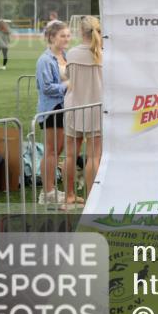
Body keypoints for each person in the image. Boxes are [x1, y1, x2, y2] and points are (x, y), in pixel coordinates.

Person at [63, 16, 103, 204]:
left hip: (74, 108)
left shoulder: (71, 53)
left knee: (71, 155)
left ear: (81, 31)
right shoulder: (103, 54)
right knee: (94, 156)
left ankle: (69, 194)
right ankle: (91, 199)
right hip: (95, 108)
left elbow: (68, 77)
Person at [36, 20, 72, 205]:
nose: (67, 39)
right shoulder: (45, 60)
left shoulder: (65, 55)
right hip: (52, 109)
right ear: (51, 37)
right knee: (51, 151)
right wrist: (68, 85)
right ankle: (47, 192)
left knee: (58, 151)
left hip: (65, 107)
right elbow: (47, 88)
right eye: (62, 36)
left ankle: (51, 190)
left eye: (68, 35)